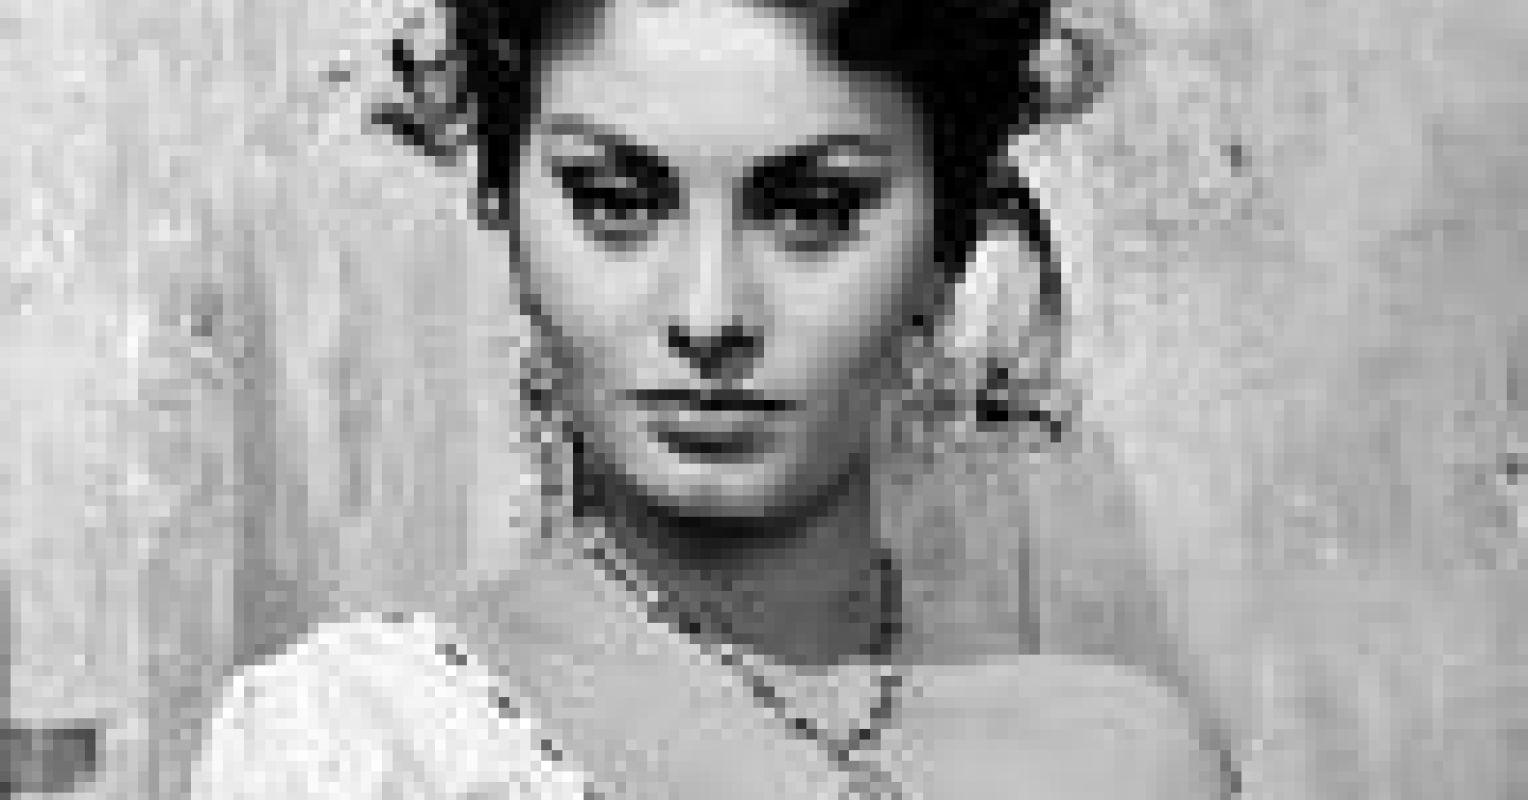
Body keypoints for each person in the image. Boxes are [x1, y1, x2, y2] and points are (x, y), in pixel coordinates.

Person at [188, 1, 1232, 798]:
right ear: (504, 208)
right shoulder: (352, 745)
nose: (709, 313)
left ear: (946, 242)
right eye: (615, 203)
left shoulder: (1124, 761)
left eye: (813, 209)